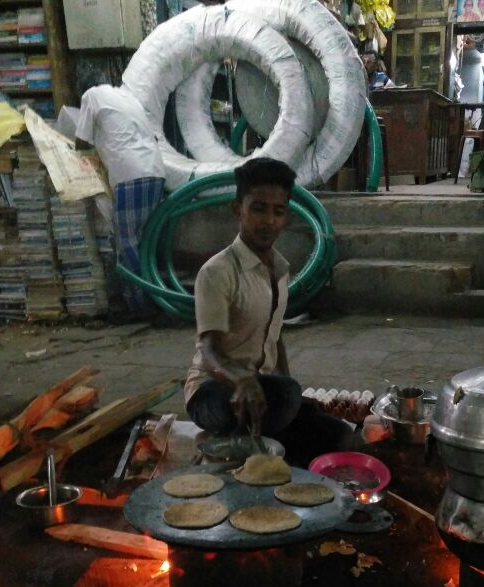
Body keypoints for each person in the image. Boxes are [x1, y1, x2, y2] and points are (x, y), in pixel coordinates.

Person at [184, 157, 352, 464]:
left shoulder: (280, 269)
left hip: (262, 394)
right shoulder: (217, 272)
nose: (268, 221)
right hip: (214, 393)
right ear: (238, 209)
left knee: (338, 434)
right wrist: (240, 379)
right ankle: (255, 438)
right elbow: (209, 346)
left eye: (278, 211)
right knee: (281, 403)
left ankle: (263, 438)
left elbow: (275, 338)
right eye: (258, 208)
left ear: (286, 216)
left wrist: (291, 393)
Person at [75, 83, 166, 316]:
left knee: (126, 243)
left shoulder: (90, 96)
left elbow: (81, 142)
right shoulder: (127, 97)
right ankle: (143, 302)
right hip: (154, 169)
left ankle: (148, 304)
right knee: (144, 242)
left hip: (129, 173)